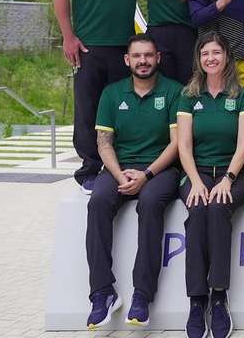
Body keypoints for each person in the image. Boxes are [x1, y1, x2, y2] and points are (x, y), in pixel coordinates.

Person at [54, 0, 147, 193]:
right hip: (88, 46)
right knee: (88, 110)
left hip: (125, 48)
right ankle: (90, 170)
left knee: (121, 109)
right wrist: (68, 37)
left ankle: (118, 166)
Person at [85, 34, 181, 329]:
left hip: (160, 170)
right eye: (137, 56)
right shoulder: (112, 94)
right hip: (118, 168)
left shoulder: (174, 91)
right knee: (98, 202)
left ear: (158, 58)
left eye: (148, 55)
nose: (143, 61)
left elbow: (177, 143)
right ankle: (102, 293)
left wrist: (147, 174)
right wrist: (119, 175)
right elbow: (104, 144)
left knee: (151, 204)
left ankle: (142, 295)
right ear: (127, 60)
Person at [177, 31, 244, 338]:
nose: (211, 58)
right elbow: (183, 146)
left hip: (234, 172)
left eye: (216, 52)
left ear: (227, 57)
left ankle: (220, 296)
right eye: (205, 53)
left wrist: (227, 179)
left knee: (219, 204)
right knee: (198, 208)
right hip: (196, 172)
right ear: (199, 59)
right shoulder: (189, 95)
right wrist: (196, 181)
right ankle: (197, 300)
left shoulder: (243, 95)